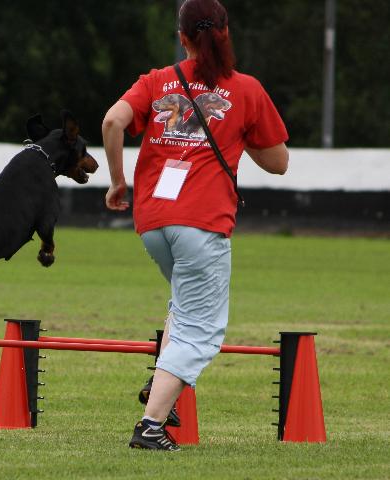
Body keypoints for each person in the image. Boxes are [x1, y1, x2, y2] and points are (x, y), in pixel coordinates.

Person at [102, 0, 289, 451]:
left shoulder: (156, 80)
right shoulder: (245, 89)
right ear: (225, 34)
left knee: (183, 304)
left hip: (151, 219)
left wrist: (118, 183)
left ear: (183, 37)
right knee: (203, 329)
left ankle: (163, 388)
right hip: (202, 221)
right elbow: (279, 162)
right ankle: (150, 425)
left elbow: (112, 121)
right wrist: (242, 136)